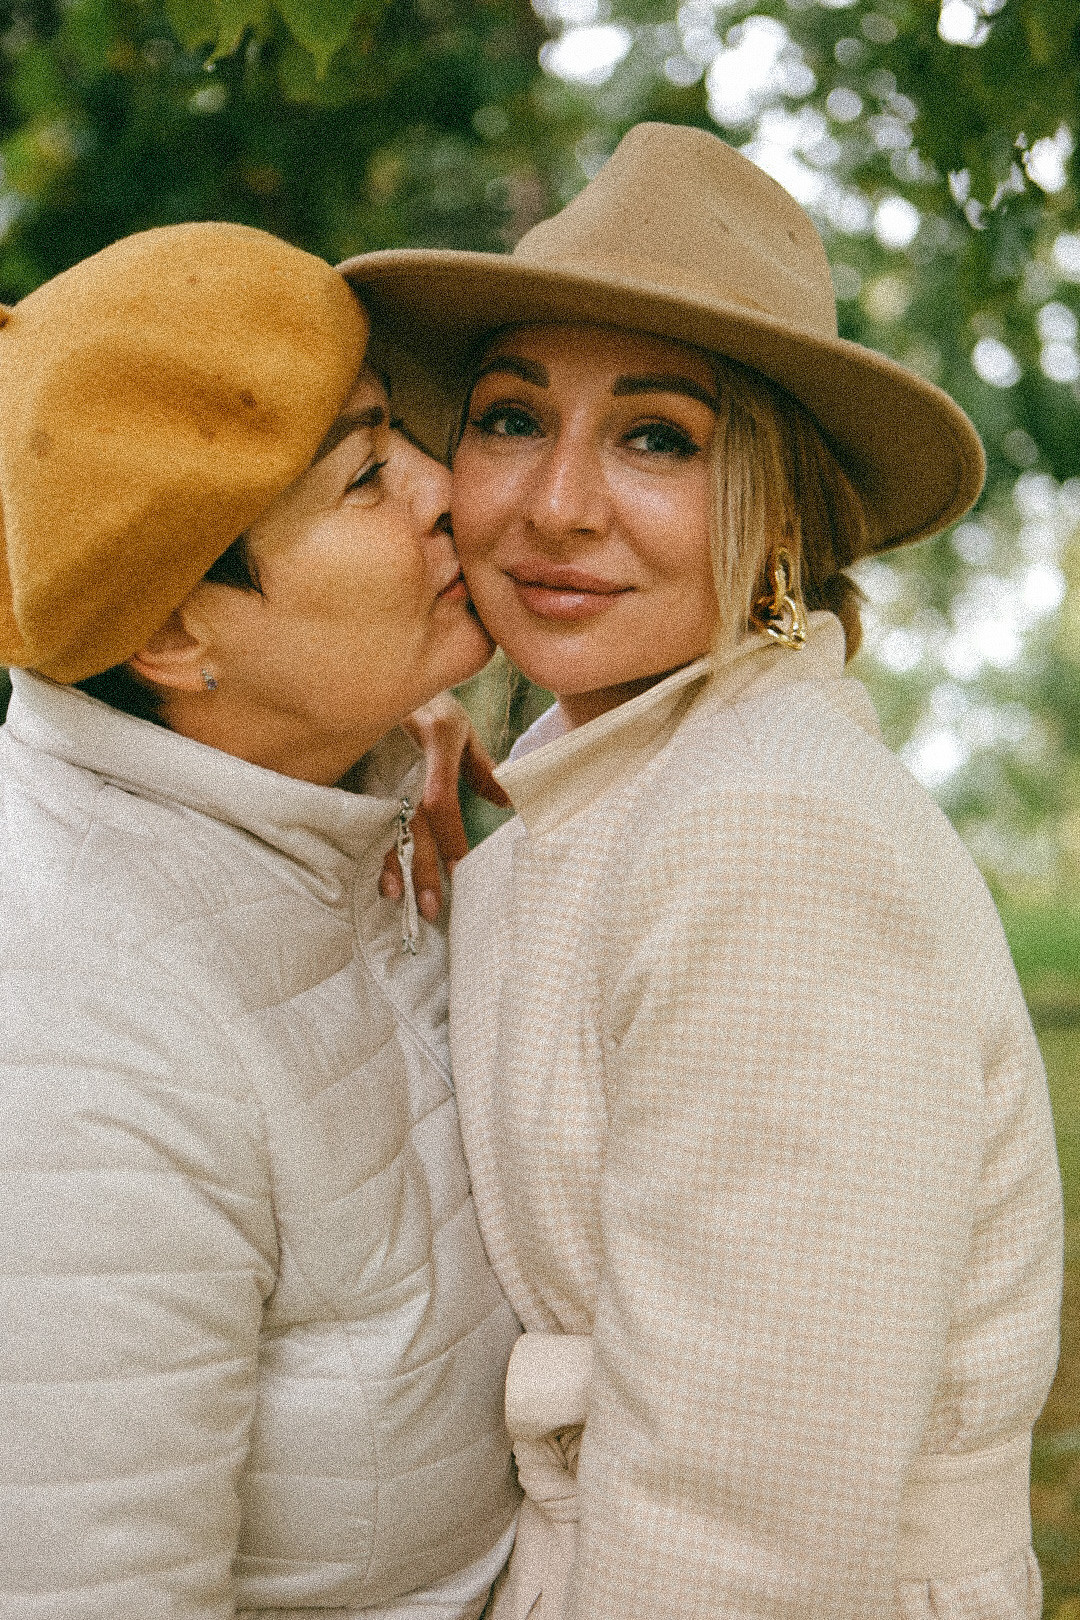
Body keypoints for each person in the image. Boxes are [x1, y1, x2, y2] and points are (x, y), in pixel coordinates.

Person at [340, 122, 1065, 1618]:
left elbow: (745, 1535)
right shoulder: (586, 802)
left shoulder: (773, 836)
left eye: (658, 437)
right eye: (510, 418)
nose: (556, 504)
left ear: (783, 514)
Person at [0, 222, 521, 1619]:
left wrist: (386, 737)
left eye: (398, 432)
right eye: (365, 475)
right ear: (175, 637)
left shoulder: (326, 799)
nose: (443, 487)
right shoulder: (72, 1036)